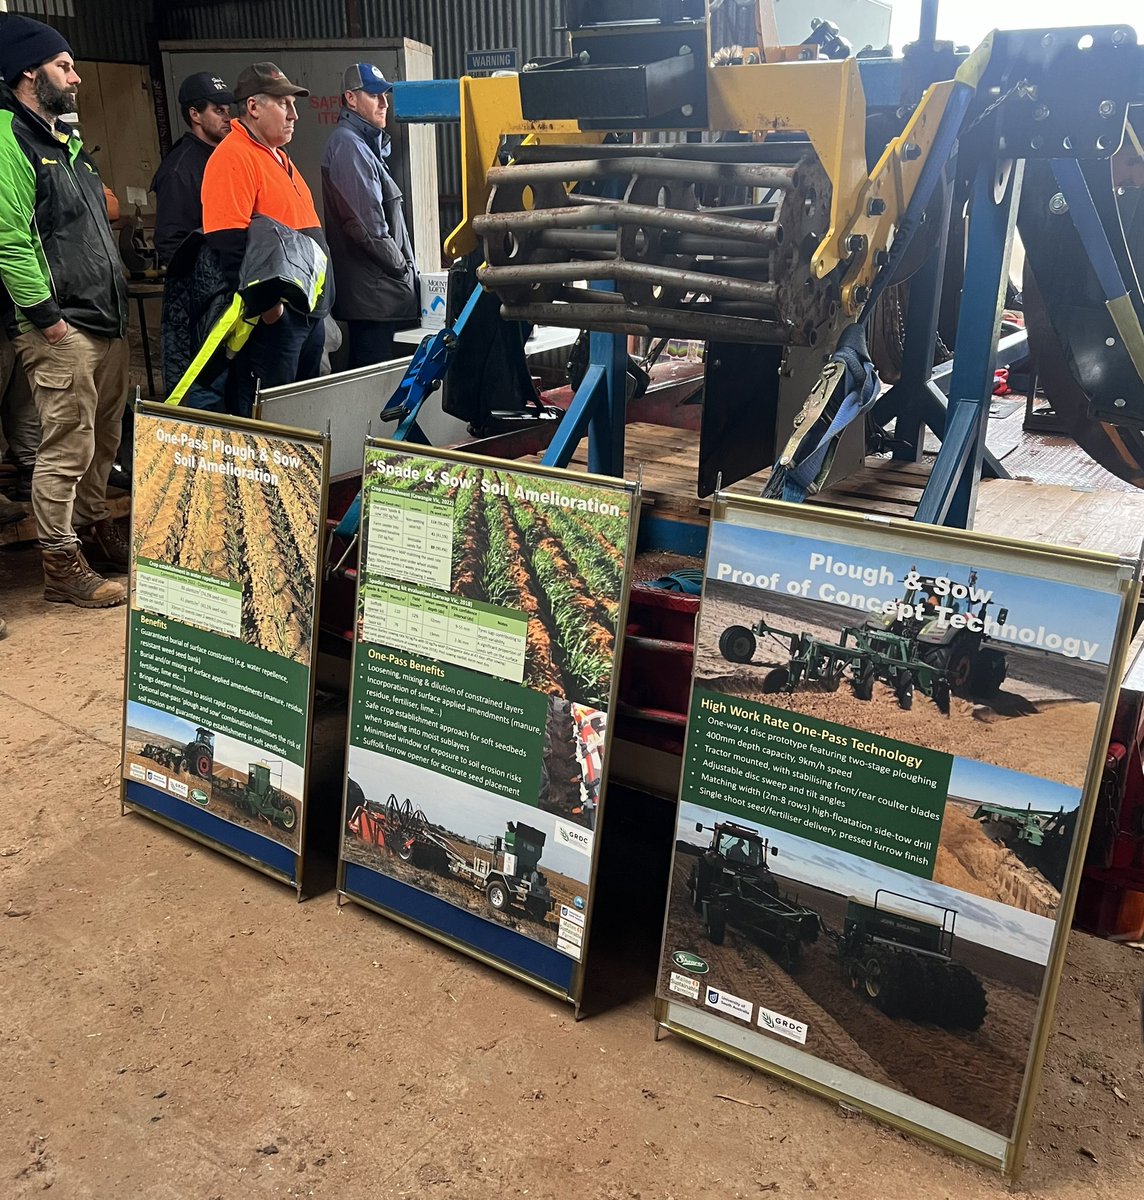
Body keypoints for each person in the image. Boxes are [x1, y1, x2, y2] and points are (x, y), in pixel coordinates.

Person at [0, 16, 130, 607]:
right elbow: (10, 239)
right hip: (63, 327)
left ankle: (94, 527)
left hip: (104, 321)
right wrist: (47, 318)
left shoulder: (65, 142)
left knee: (103, 440)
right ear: (29, 72)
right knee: (65, 446)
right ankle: (59, 562)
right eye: (63, 66)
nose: (75, 78)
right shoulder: (11, 138)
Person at [200, 61, 330, 417]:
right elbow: (228, 243)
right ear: (253, 107)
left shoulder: (279, 157)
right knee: (268, 421)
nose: (294, 115)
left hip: (306, 315)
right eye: (283, 104)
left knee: (301, 417)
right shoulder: (233, 157)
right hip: (276, 323)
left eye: (294, 105)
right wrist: (273, 311)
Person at [321, 63, 419, 368]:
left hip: (382, 297)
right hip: (375, 300)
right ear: (351, 99)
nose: (384, 103)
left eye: (385, 95)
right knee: (376, 392)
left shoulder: (365, 146)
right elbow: (369, 229)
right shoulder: (349, 147)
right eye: (374, 95)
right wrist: (404, 271)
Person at [151, 71, 234, 267]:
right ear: (195, 114)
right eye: (219, 111)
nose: (228, 118)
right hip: (208, 284)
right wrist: (207, 282)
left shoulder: (225, 156)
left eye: (228, 110)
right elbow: (171, 241)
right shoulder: (179, 169)